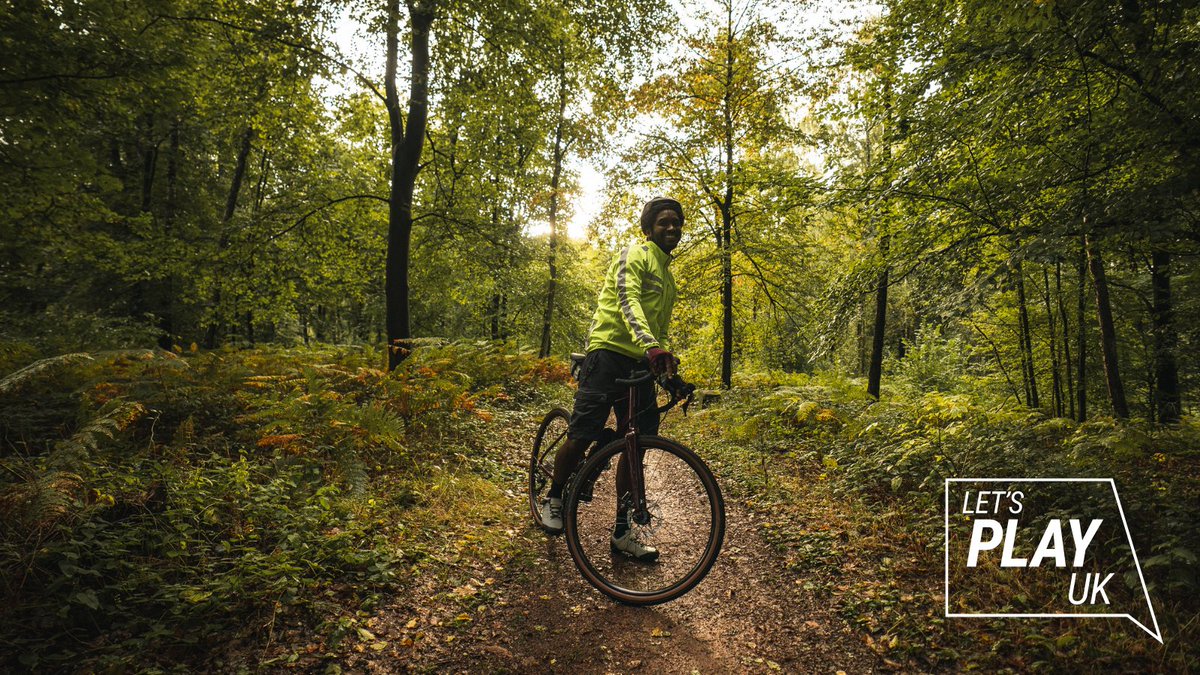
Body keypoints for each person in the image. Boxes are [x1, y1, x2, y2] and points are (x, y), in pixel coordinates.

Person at [540, 196, 684, 562]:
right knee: (582, 432)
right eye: (664, 222)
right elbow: (626, 299)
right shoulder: (633, 254)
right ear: (649, 228)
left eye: (676, 222)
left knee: (635, 445)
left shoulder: (669, 281)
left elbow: (660, 331)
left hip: (640, 361)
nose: (671, 227)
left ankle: (622, 532)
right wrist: (651, 346)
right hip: (606, 354)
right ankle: (554, 496)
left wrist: (668, 370)